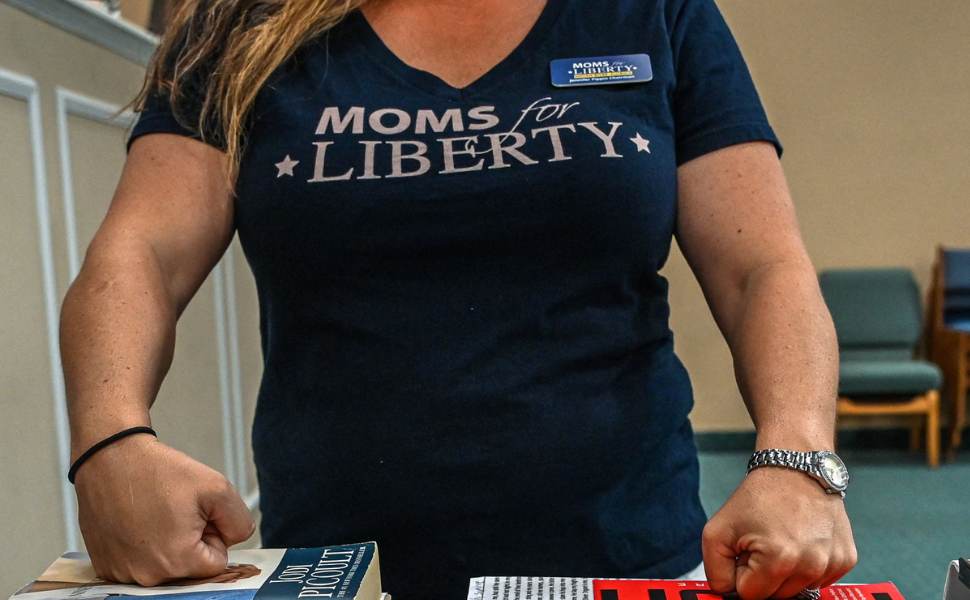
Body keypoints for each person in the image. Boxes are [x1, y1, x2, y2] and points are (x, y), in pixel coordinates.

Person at [58, 0, 857, 599]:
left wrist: (800, 457)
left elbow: (766, 270)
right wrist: (109, 442)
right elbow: (142, 252)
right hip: (348, 572)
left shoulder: (652, 10)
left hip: (629, 558)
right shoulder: (240, 23)